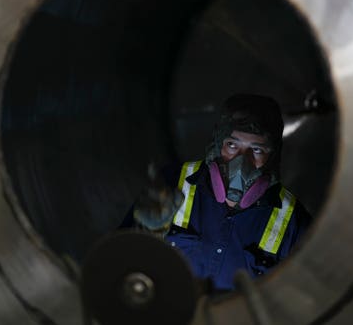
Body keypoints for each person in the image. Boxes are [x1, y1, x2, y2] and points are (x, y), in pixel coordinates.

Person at [130, 93, 311, 292]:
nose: (241, 163)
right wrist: (149, 234)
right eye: (232, 146)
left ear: (273, 156)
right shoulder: (171, 183)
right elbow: (123, 268)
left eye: (257, 150)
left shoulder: (294, 222)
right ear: (217, 145)